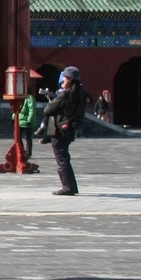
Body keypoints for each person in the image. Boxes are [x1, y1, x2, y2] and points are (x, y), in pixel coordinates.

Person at [41, 66, 87, 196]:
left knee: (61, 159)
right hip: (71, 128)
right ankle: (72, 186)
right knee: (65, 157)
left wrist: (52, 99)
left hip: (59, 128)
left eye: (65, 78)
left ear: (70, 79)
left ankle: (68, 187)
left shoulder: (65, 95)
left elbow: (48, 110)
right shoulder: (81, 94)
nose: (63, 81)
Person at [17, 84, 37, 161]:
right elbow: (16, 109)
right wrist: (13, 118)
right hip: (20, 120)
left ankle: (28, 153)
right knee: (17, 136)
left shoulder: (30, 98)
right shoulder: (20, 98)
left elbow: (32, 109)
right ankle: (22, 150)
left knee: (28, 137)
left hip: (27, 120)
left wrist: (29, 120)